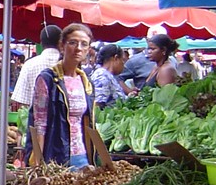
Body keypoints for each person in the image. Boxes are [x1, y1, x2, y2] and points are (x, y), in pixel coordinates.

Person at [25, 24, 96, 169]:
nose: (78, 48)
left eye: (84, 44)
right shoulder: (48, 79)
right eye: (72, 42)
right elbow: (40, 124)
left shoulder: (85, 81)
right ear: (62, 45)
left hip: (82, 157)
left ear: (88, 50)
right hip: (55, 156)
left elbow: (87, 122)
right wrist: (37, 164)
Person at [11, 25, 62, 110]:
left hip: (36, 119)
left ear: (41, 44)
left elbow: (21, 100)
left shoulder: (29, 64)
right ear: (61, 43)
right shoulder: (69, 65)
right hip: (65, 120)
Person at [90, 44, 128, 108]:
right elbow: (97, 105)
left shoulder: (107, 75)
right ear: (115, 58)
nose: (123, 64)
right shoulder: (102, 76)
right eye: (122, 60)